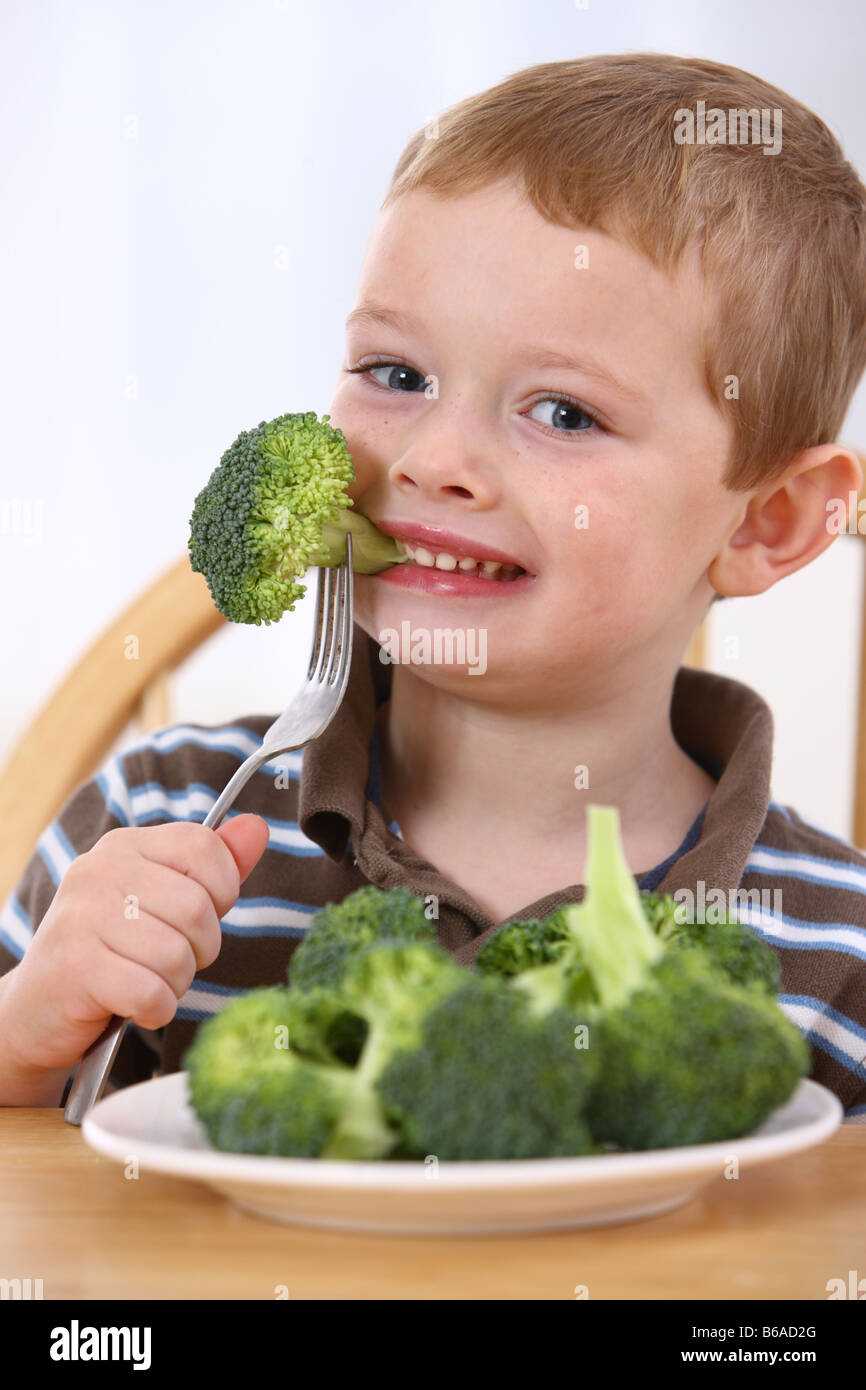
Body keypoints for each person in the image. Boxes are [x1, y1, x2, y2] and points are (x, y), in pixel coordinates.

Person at [2, 53, 865, 1120]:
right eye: (396, 374)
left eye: (562, 413)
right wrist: (23, 1042)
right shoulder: (156, 815)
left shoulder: (835, 957)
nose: (429, 457)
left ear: (765, 520)